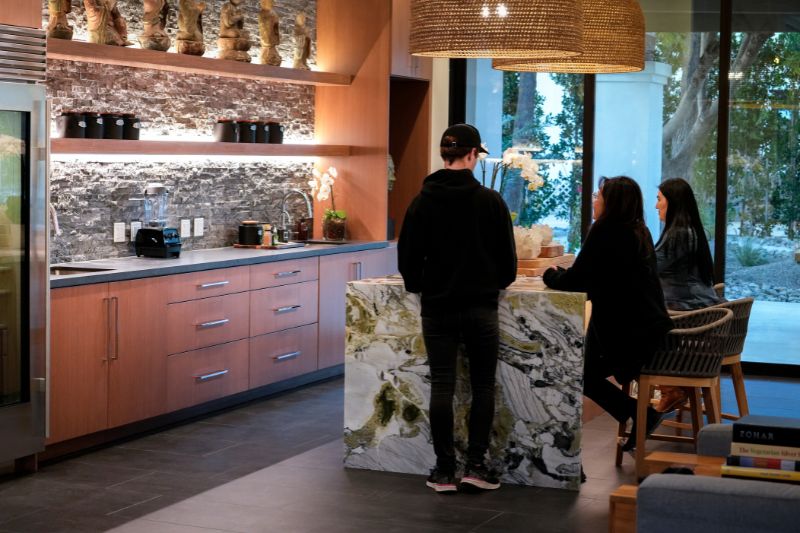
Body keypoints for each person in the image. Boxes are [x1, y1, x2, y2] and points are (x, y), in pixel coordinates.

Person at [398, 124, 517, 493]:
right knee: (482, 386)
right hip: (481, 307)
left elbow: (407, 260)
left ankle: (444, 470)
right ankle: (476, 467)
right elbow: (508, 265)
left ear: (443, 155)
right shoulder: (490, 201)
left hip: (437, 307)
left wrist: (423, 285)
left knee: (442, 385)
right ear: (472, 155)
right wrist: (492, 282)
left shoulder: (421, 201)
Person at [543, 176, 673, 452]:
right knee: (585, 370)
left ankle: (640, 414)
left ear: (611, 202)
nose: (594, 201)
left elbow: (578, 281)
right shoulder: (639, 230)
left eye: (597, 196)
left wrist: (551, 275)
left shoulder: (605, 231)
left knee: (579, 372)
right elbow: (599, 278)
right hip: (650, 331)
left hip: (628, 336)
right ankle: (640, 415)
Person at [653, 177, 725, 412]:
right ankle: (671, 387)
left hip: (688, 313)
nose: (656, 205)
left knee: (637, 324)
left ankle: (669, 388)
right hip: (695, 309)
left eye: (659, 199)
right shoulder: (687, 231)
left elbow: (650, 267)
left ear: (672, 202)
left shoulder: (679, 234)